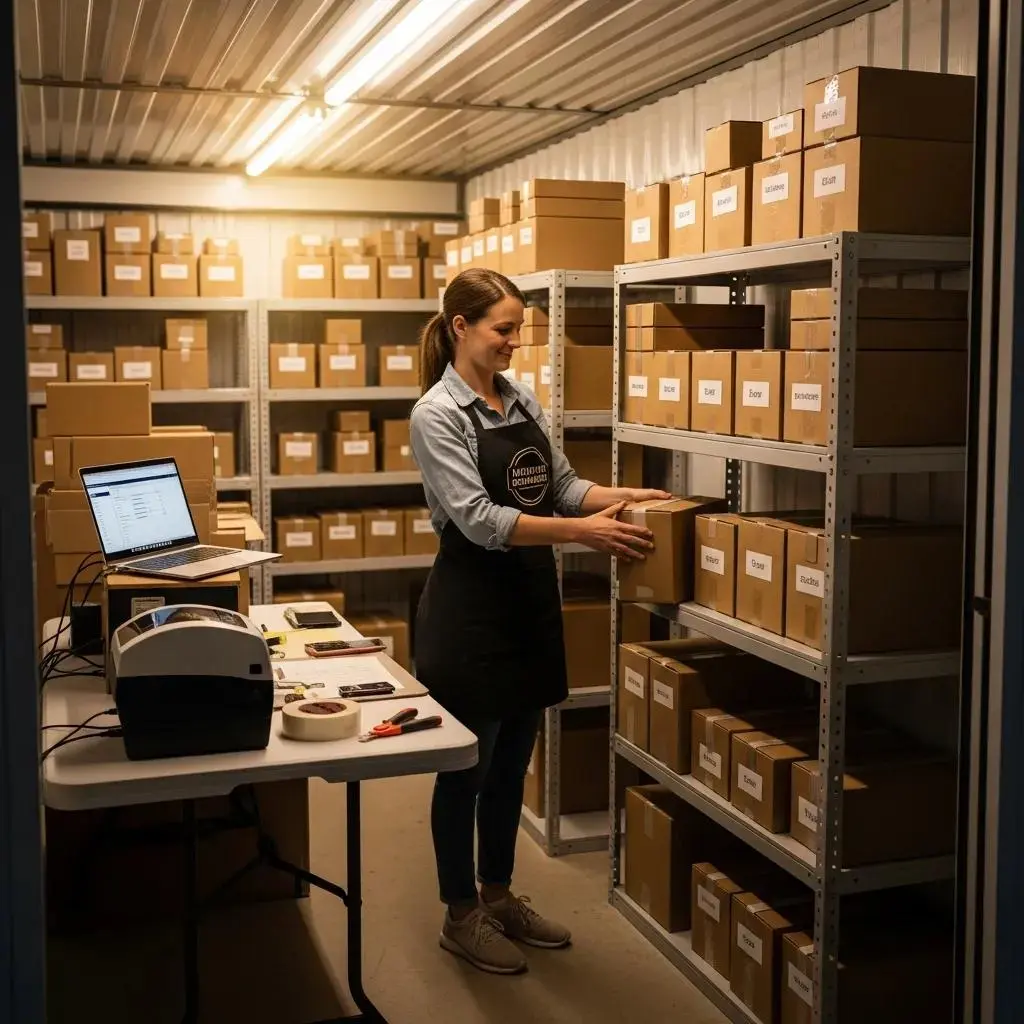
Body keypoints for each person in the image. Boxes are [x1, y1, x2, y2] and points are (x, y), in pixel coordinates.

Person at [409, 268, 670, 975]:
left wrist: (625, 495)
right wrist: (583, 535)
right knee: (464, 772)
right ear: (460, 327)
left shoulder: (520, 397)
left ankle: (497, 896)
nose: (514, 342)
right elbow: (479, 519)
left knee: (509, 769)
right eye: (503, 329)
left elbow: (560, 485)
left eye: (519, 329)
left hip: (526, 607)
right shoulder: (437, 414)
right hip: (471, 615)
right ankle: (459, 913)